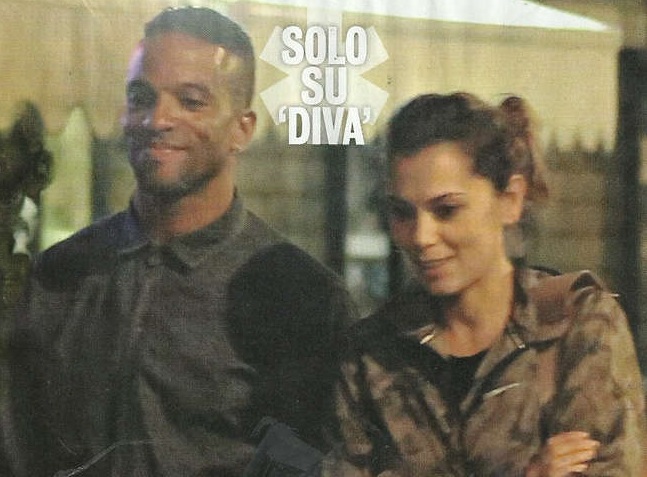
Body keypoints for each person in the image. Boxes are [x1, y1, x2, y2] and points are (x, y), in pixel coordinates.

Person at [2, 7, 356, 477]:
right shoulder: (56, 276)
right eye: (141, 97)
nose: (158, 119)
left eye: (191, 101)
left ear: (242, 129)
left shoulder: (302, 298)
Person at [323, 92, 646, 476]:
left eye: (447, 210)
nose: (422, 236)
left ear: (510, 200)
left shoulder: (575, 325)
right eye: (402, 212)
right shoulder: (370, 357)